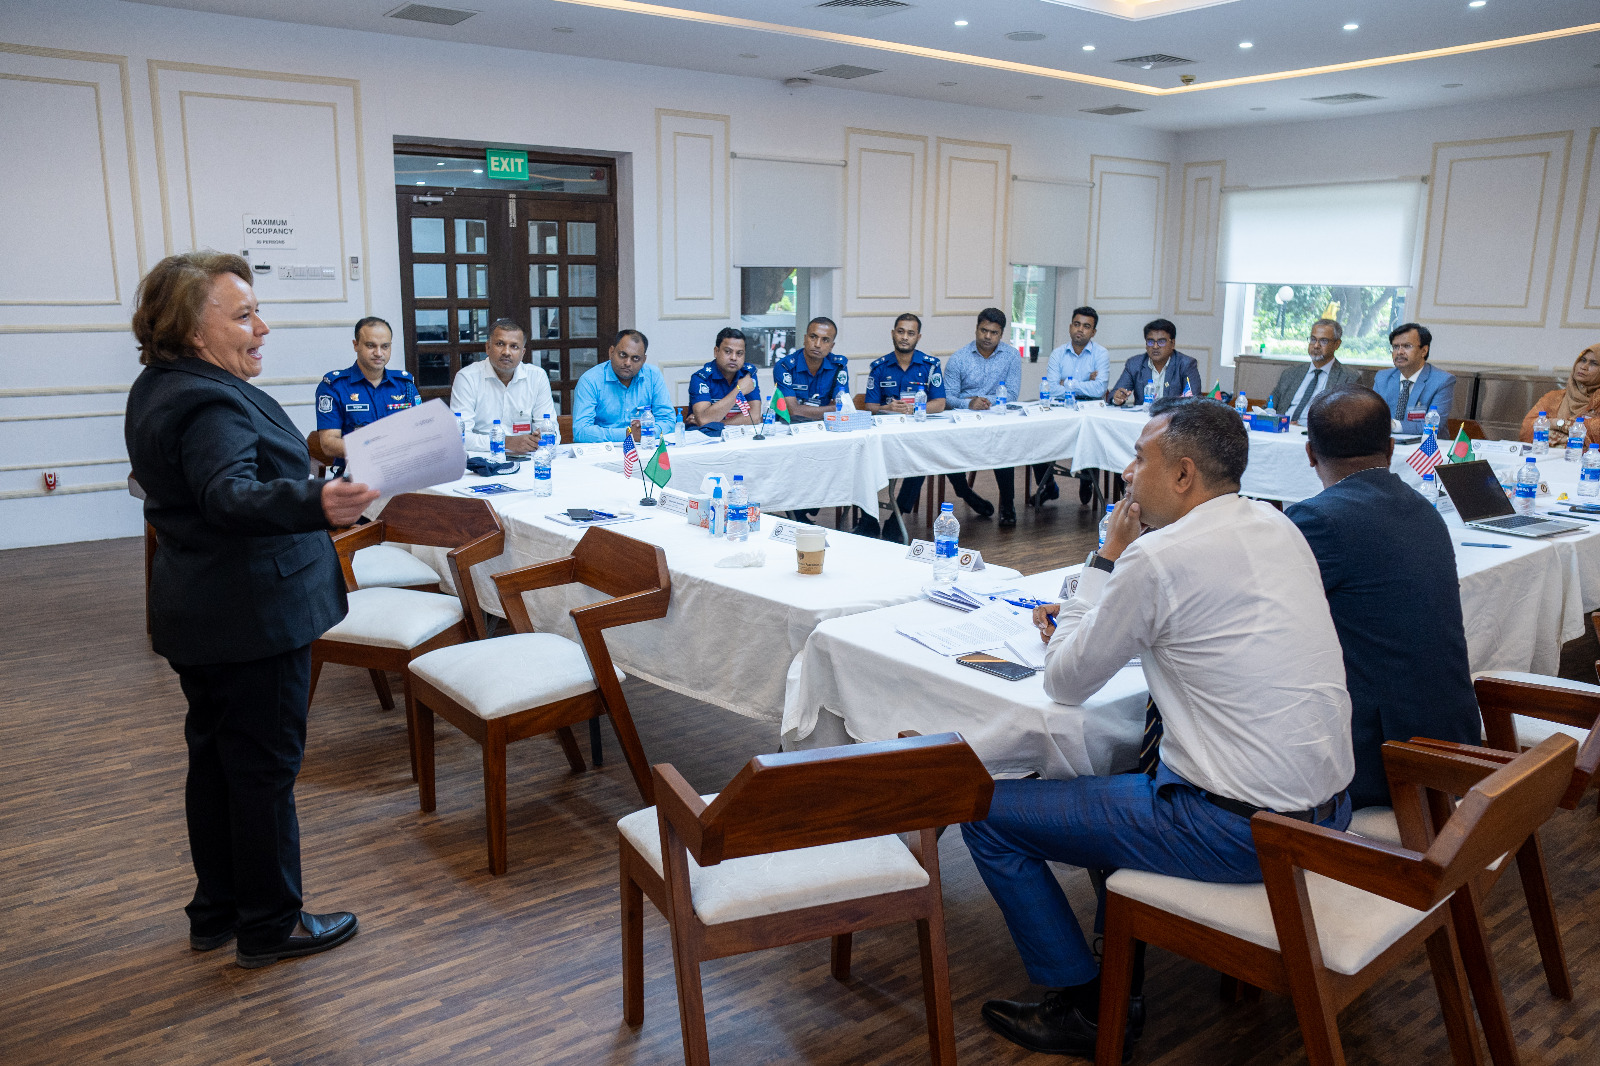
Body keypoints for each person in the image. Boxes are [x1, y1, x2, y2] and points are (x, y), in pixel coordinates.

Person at [963, 397, 1352, 1059]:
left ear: (1182, 474)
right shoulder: (1278, 525)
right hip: (1328, 813)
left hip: (1240, 831)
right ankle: (1118, 968)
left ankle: (1087, 1005)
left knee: (984, 812)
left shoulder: (1156, 558)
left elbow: (1064, 682)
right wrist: (1108, 605)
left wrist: (1108, 555)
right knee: (1122, 771)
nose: (1125, 473)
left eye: (1138, 458)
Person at [124, 251, 376, 969]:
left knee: (216, 764)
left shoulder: (161, 384)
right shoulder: (210, 401)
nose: (262, 327)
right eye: (243, 316)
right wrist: (318, 500)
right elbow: (227, 496)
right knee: (262, 772)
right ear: (190, 329)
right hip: (251, 617)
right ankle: (270, 923)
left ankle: (218, 911)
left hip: (203, 610)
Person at [1286, 386, 1480, 810]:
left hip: (1387, 759)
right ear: (1391, 449)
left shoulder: (1318, 519)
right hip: (1449, 738)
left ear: (1310, 454)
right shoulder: (1422, 508)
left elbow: (1255, 612)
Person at [854, 313, 946, 540]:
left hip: (915, 434)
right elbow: (870, 405)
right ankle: (868, 519)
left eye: (910, 333)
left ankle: (897, 517)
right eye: (901, 332)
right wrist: (888, 408)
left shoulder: (930, 365)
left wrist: (914, 408)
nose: (905, 337)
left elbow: (940, 403)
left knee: (921, 461)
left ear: (918, 337)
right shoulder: (880, 367)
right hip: (884, 434)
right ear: (893, 334)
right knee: (865, 458)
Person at [942, 307, 1023, 526]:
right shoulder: (959, 358)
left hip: (996, 419)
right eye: (983, 330)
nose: (987, 336)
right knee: (945, 447)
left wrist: (985, 401)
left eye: (993, 332)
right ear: (976, 329)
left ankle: (1007, 505)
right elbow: (948, 397)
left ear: (1001, 334)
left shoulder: (1011, 356)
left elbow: (1012, 394)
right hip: (964, 421)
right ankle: (965, 492)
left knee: (1004, 446)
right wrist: (969, 403)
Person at [314, 317, 420, 471]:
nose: (378, 353)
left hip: (402, 471)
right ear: (356, 345)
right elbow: (329, 444)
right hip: (356, 475)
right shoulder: (334, 386)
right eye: (371, 346)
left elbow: (419, 432)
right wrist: (377, 451)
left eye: (385, 346)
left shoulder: (405, 385)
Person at [448, 318, 555, 453]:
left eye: (514, 346)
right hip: (482, 459)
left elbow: (552, 430)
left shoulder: (537, 377)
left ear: (522, 353)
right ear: (487, 347)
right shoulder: (467, 378)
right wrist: (506, 442)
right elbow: (459, 437)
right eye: (500, 344)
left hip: (528, 458)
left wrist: (542, 436)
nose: (506, 352)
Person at [1041, 306, 1110, 506]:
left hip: (1091, 410)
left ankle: (1088, 477)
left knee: (1093, 435)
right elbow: (1052, 389)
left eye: (1086, 326)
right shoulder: (1058, 354)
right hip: (1061, 408)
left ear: (1093, 332)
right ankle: (1047, 485)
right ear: (1070, 327)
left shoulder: (1101, 354)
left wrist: (1068, 384)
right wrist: (1085, 383)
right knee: (1038, 438)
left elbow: (1099, 389)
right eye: (1077, 324)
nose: (1080, 329)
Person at [571, 328, 675, 442]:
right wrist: (627, 434)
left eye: (635, 358)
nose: (628, 363)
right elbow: (581, 431)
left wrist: (646, 432)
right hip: (605, 448)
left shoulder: (653, 376)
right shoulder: (590, 380)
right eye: (622, 355)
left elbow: (668, 421)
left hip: (644, 446)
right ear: (611, 352)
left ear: (644, 360)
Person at [1265, 318, 1359, 422]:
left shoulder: (1349, 378)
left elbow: (1348, 421)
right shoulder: (1290, 373)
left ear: (1337, 344)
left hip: (1316, 431)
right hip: (1282, 427)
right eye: (1313, 339)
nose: (1316, 346)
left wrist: (1305, 427)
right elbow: (1268, 408)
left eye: (1323, 341)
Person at [1373, 322, 1455, 433]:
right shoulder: (1382, 378)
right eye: (1395, 347)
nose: (1399, 352)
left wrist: (1394, 426)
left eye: (1407, 346)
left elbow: (1434, 426)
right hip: (1386, 441)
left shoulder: (1442, 381)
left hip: (1426, 443)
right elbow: (1372, 417)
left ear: (1424, 351)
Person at [1519, 342, 1600, 449]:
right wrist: (1559, 425)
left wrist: (1553, 428)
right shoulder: (1554, 398)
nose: (1584, 367)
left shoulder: (1597, 403)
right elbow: (1527, 429)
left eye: (1594, 363)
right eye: (1583, 360)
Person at [1109, 318, 1202, 407]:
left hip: (1173, 417)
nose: (1155, 346)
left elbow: (1194, 401)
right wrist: (1117, 398)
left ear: (1172, 344)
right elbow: (1113, 395)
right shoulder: (1135, 364)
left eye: (1161, 341)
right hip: (1142, 416)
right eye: (1150, 341)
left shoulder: (1186, 364)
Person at [771, 316, 849, 420]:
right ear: (805, 339)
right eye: (813, 337)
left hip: (824, 426)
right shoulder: (785, 366)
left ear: (831, 346)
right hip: (789, 426)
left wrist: (803, 410)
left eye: (825, 340)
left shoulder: (838, 367)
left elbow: (844, 408)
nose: (817, 344)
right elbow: (793, 411)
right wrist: (833, 409)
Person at [688, 327, 761, 434]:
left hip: (737, 436)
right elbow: (704, 420)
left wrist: (718, 423)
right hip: (707, 438)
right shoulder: (700, 378)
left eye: (739, 353)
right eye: (728, 351)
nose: (734, 358)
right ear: (716, 351)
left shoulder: (748, 375)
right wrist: (739, 390)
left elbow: (755, 417)